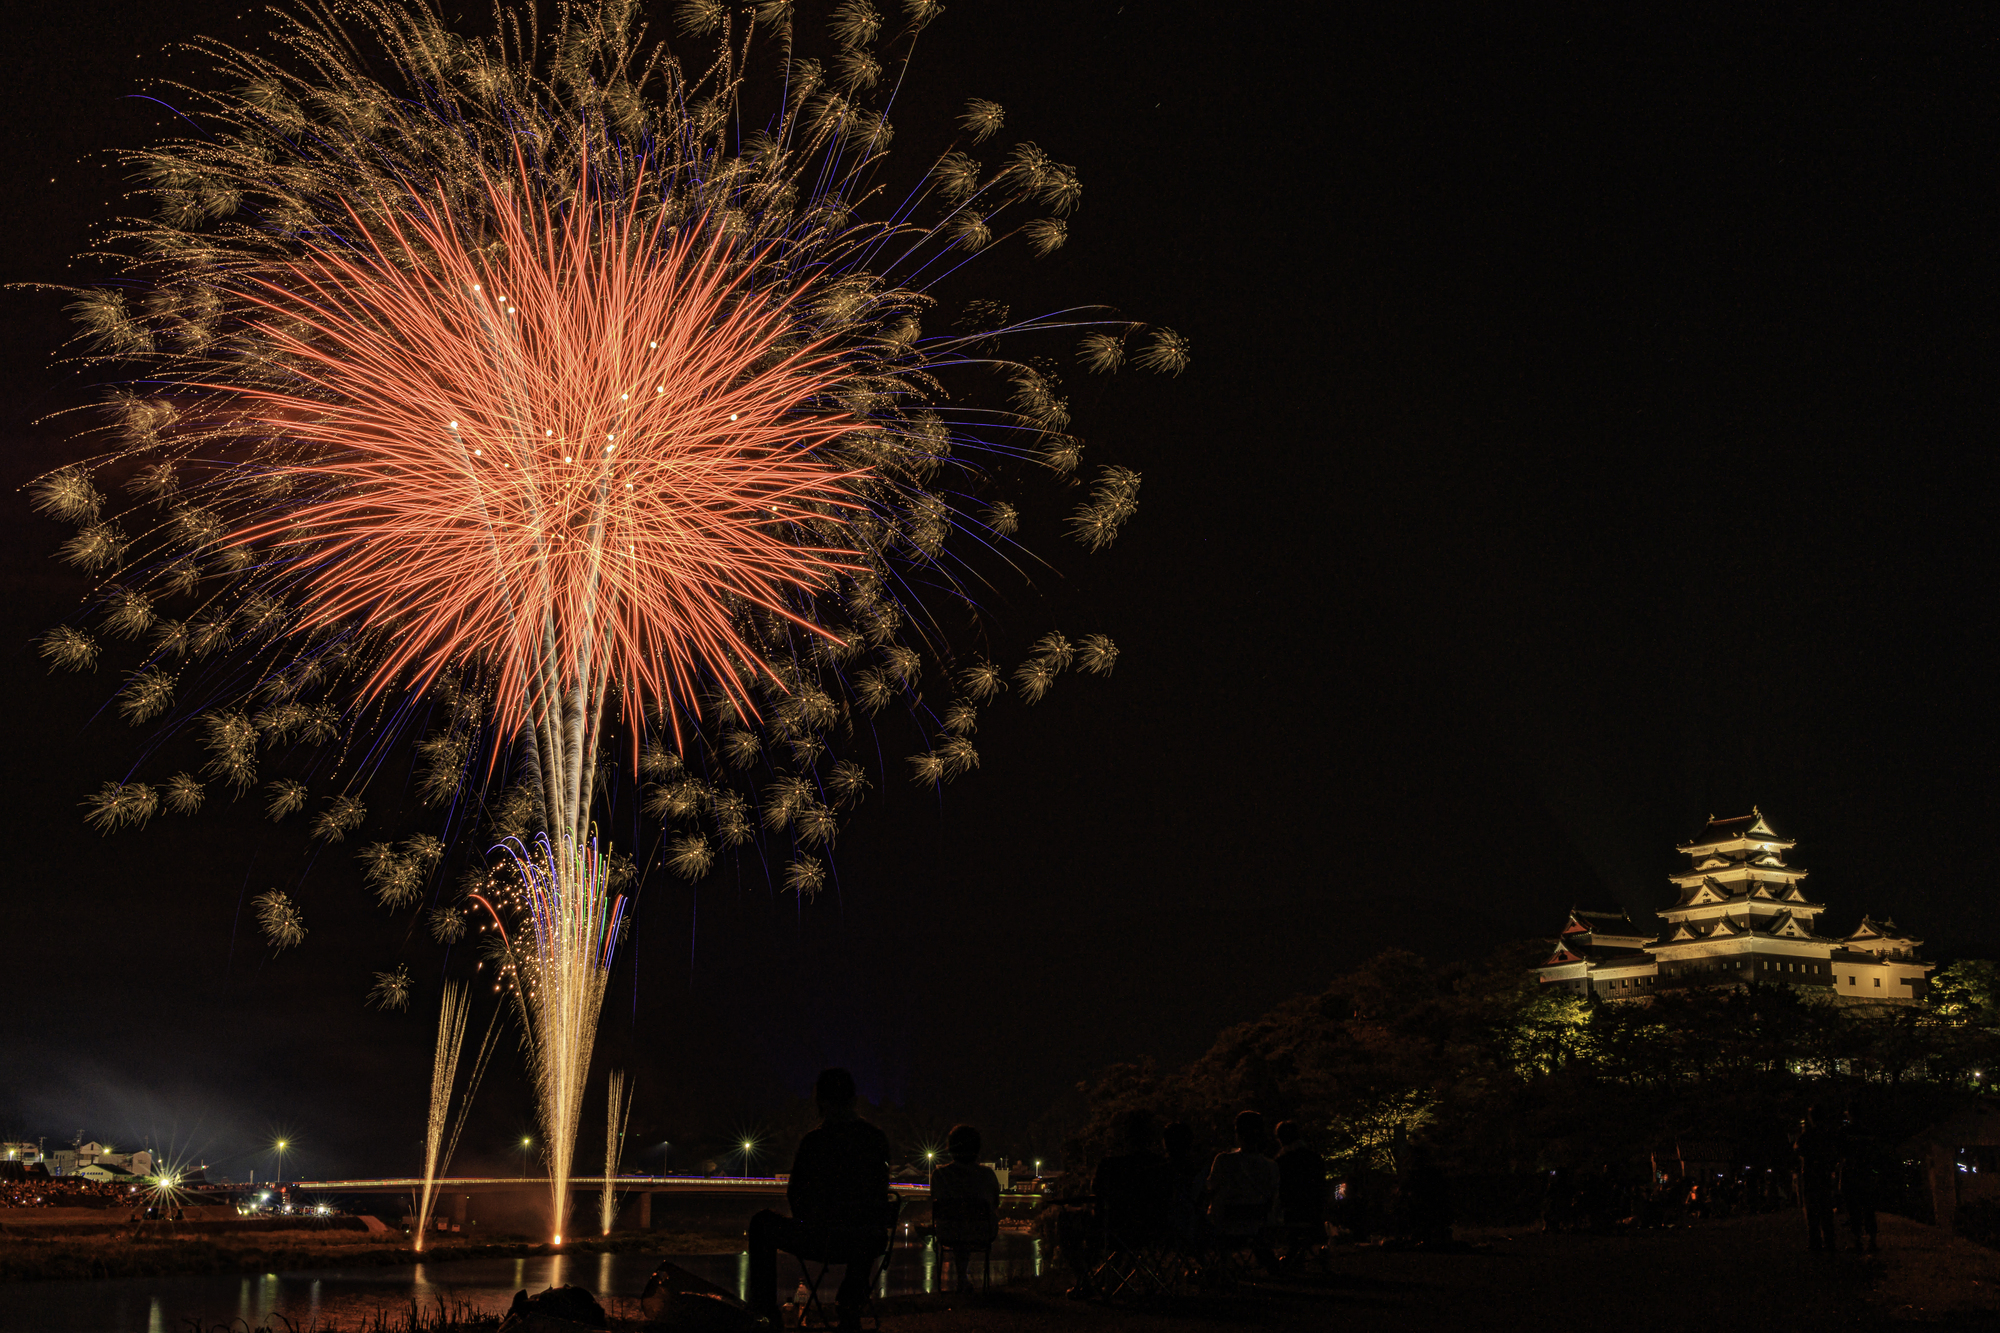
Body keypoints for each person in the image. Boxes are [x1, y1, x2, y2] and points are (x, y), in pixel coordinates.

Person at [748, 1069, 891, 1331]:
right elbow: (879, 1197)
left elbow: (796, 1195)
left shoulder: (815, 1141)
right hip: (865, 1242)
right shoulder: (875, 1139)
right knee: (865, 1226)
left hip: (822, 1238)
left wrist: (809, 1221)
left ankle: (765, 1313)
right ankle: (851, 1298)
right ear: (853, 1099)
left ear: (822, 1102)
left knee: (761, 1223)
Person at [1204, 1110, 1280, 1272]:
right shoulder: (1271, 1166)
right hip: (1258, 1224)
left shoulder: (1224, 1160)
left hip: (1225, 1224)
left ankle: (1221, 1265)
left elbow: (1211, 1186)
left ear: (1237, 1133)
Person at [930, 1124, 1000, 1292]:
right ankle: (965, 1279)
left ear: (951, 1148)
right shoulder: (987, 1175)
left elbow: (935, 1204)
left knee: (958, 1226)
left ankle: (961, 1277)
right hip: (981, 1231)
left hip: (948, 1232)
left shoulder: (939, 1175)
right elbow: (995, 1203)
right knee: (966, 1225)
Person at [1272, 1120, 1326, 1269]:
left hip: (1290, 1212)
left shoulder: (1281, 1161)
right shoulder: (1314, 1158)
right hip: (1315, 1211)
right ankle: (1298, 1253)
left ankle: (1286, 1257)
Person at [1793, 1104, 1843, 1253]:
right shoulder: (1828, 1134)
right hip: (1824, 1175)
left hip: (1810, 1175)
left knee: (1812, 1209)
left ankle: (1815, 1241)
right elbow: (1835, 1153)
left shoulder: (1807, 1135)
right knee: (1826, 1209)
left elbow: (1797, 1149)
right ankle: (1829, 1241)